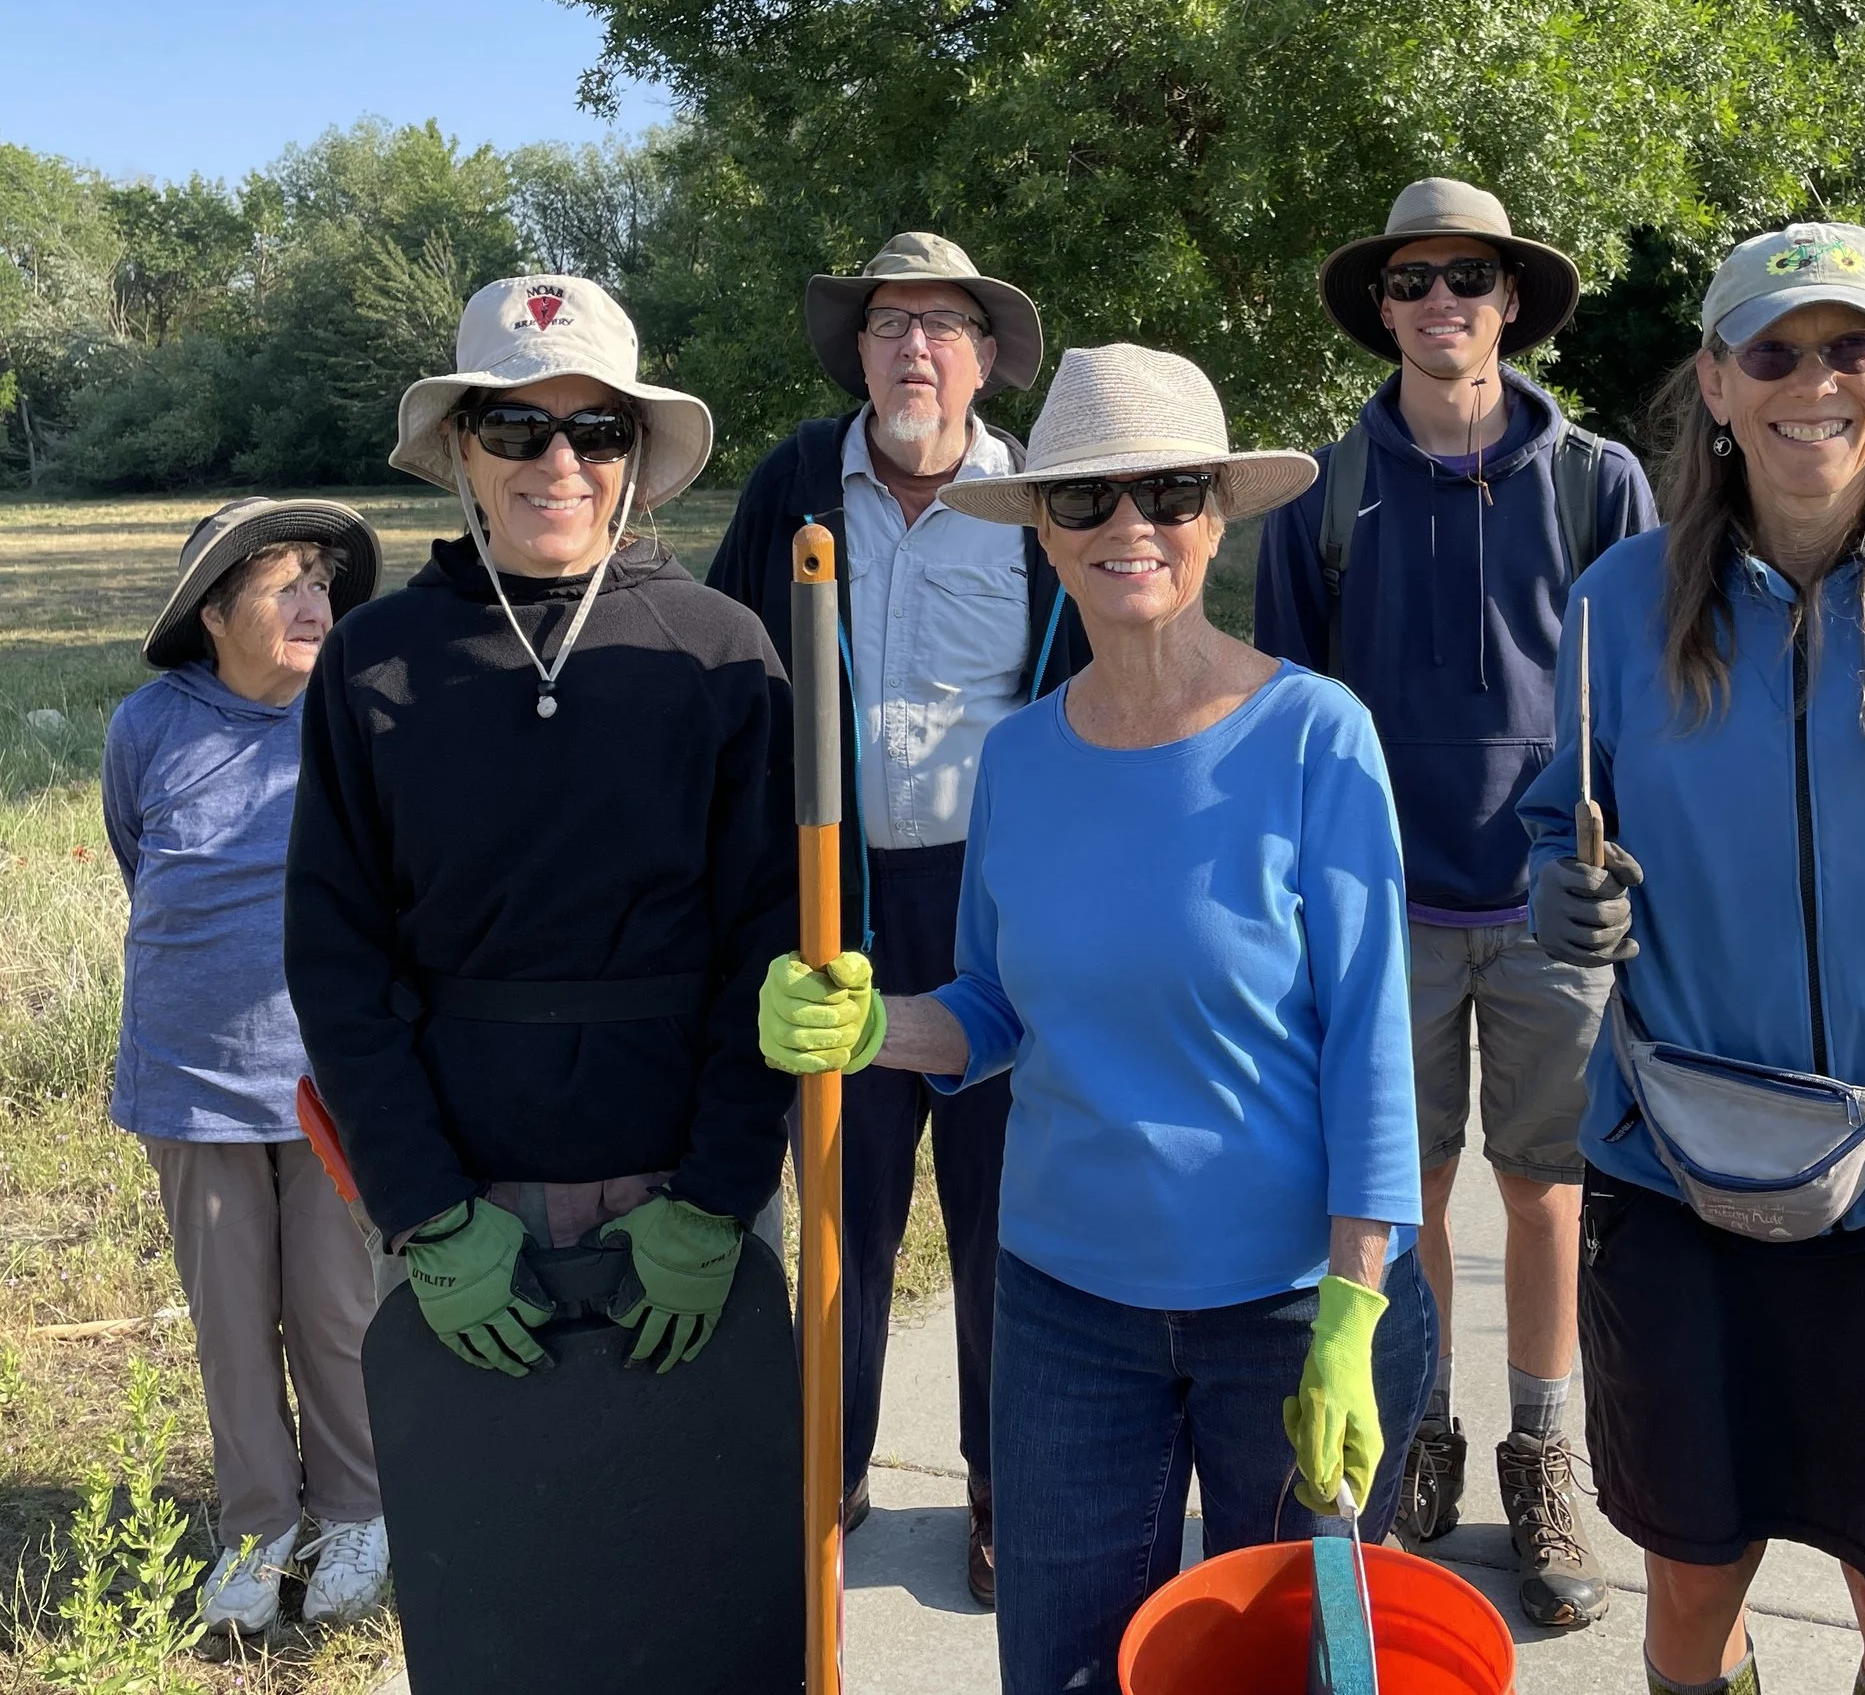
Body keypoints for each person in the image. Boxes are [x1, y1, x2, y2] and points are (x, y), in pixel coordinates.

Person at [758, 344, 1432, 1694]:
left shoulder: (1316, 735)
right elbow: (993, 1007)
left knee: (1282, 1676)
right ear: (1045, 534)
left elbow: (1371, 1047)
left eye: (1169, 492)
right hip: (1065, 1314)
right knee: (1062, 1671)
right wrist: (872, 1028)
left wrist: (1354, 1306)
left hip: (1289, 1309)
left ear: (1216, 516)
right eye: (1086, 499)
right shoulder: (1018, 757)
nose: (1130, 525)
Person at [1519, 223, 1865, 1695]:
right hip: (1672, 1169)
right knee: (1691, 1584)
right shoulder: (1618, 603)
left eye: (1849, 347)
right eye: (1771, 351)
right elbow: (1558, 823)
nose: (1810, 381)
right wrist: (1560, 898)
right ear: (1716, 383)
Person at [285, 274, 794, 1452]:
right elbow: (334, 956)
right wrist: (425, 1208)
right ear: (463, 446)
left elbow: (774, 937)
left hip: (685, 1193)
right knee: (492, 1538)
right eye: (516, 425)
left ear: (634, 454)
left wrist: (718, 1195)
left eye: (597, 428)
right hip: (465, 1203)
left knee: (704, 1528)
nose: (558, 461)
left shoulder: (719, 650)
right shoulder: (373, 658)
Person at [1257, 175, 1655, 1625]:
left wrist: (1620, 870)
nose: (1441, 302)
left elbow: (1654, 699)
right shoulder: (1322, 492)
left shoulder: (1599, 482)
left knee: (1545, 1189)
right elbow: (1287, 714)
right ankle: (1418, 1424)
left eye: (1468, 277)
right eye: (1412, 279)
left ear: (1511, 301)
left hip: (1552, 908)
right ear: (1381, 308)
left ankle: (1544, 1455)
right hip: (1385, 912)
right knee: (1401, 1188)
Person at [705, 231, 1084, 1603]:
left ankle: (999, 1483)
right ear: (856, 352)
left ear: (985, 356)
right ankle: (834, 1464)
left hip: (996, 907)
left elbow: (1094, 683)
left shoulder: (1041, 502)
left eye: (941, 324)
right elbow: (728, 665)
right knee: (843, 1209)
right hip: (838, 898)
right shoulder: (798, 483)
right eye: (886, 323)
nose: (913, 347)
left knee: (1002, 1218)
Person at [105, 498, 386, 1637]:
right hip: (191, 1082)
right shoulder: (150, 725)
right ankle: (258, 1527)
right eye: (285, 585)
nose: (316, 602)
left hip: (330, 1081)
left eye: (321, 581)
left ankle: (355, 1512)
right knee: (229, 1323)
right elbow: (138, 859)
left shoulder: (357, 716)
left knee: (334, 1310)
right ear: (215, 616)